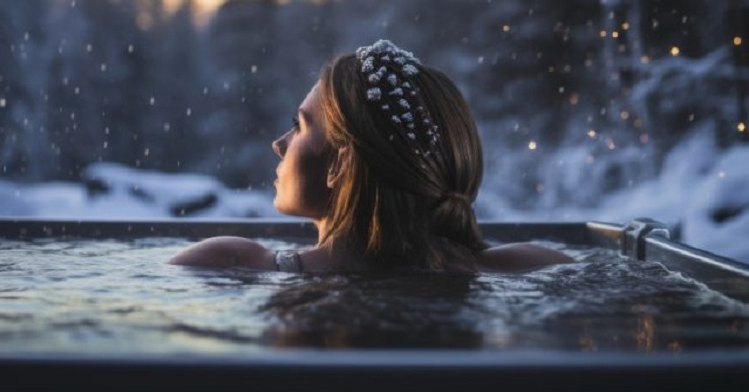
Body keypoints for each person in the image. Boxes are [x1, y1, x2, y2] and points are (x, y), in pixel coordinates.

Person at [168, 39, 572, 273]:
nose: (279, 143)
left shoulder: (233, 262)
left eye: (300, 125)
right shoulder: (530, 265)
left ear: (341, 164)